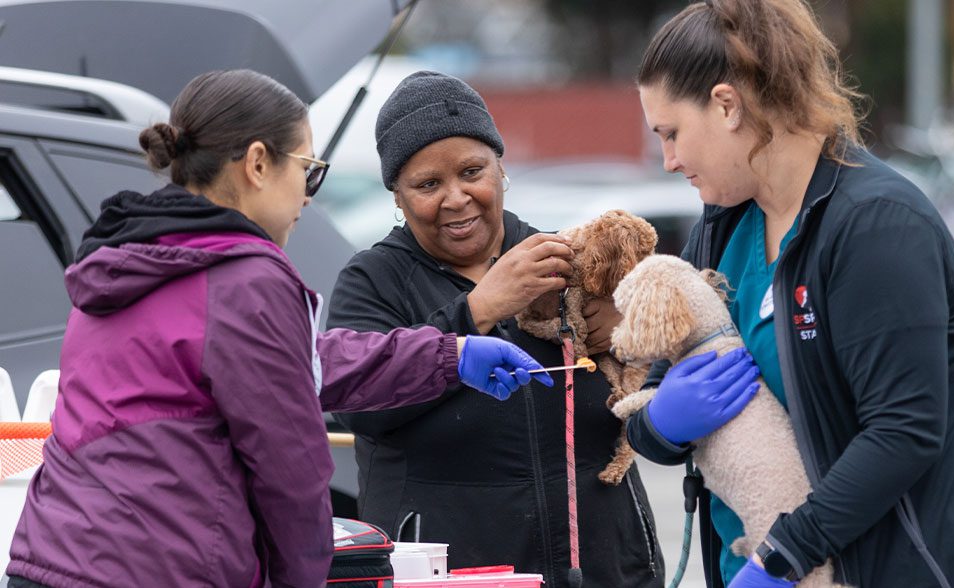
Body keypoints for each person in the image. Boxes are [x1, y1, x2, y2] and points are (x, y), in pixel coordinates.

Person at [4, 69, 547, 588]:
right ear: (259, 164)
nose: (309, 196)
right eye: (307, 170)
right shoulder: (245, 279)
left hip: (54, 558)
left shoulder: (127, 255)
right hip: (163, 570)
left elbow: (297, 361)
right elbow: (292, 473)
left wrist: (448, 354)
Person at [627, 1, 954, 587]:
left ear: (726, 105)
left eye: (671, 133)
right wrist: (663, 424)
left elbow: (904, 432)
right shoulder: (719, 230)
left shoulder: (877, 223)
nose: (668, 161)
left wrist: (781, 558)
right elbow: (648, 409)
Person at [327, 71, 688, 587]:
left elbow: (660, 380)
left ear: (501, 168)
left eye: (472, 170)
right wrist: (477, 309)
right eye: (428, 184)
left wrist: (635, 335)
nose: (456, 198)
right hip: (452, 575)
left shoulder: (567, 260)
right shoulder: (373, 279)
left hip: (608, 569)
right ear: (398, 197)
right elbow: (354, 400)